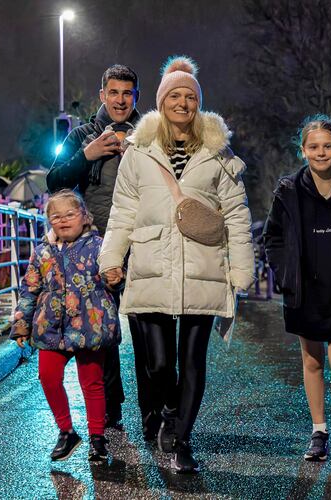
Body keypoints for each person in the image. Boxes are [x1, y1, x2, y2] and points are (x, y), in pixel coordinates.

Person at [98, 56, 255, 473]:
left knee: (193, 360)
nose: (182, 103)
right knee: (159, 362)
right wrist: (111, 257)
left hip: (204, 266)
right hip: (152, 263)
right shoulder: (139, 152)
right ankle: (169, 410)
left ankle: (183, 439)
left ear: (198, 104)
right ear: (162, 101)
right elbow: (122, 210)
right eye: (174, 96)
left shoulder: (217, 154)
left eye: (190, 97)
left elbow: (236, 214)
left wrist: (240, 269)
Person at [263, 116, 331, 468]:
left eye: (328, 145)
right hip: (305, 289)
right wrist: (286, 277)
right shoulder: (288, 190)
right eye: (314, 146)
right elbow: (273, 238)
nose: (321, 152)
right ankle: (318, 432)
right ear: (303, 150)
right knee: (312, 361)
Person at [46, 64, 143, 432]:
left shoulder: (148, 133)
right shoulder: (83, 134)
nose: (120, 100)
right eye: (113, 92)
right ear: (102, 94)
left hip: (144, 242)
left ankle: (155, 412)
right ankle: (110, 409)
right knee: (102, 330)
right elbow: (53, 181)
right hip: (97, 245)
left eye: (127, 93)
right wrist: (86, 155)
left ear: (136, 97)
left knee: (149, 329)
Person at [10, 190, 120, 462]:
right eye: (55, 216)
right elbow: (30, 289)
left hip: (90, 324)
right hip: (51, 326)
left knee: (92, 381)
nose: (62, 220)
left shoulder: (100, 246)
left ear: (84, 216)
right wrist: (22, 323)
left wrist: (116, 278)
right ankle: (67, 431)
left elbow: (114, 277)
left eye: (70, 214)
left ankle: (97, 437)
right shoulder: (42, 252)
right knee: (48, 376)